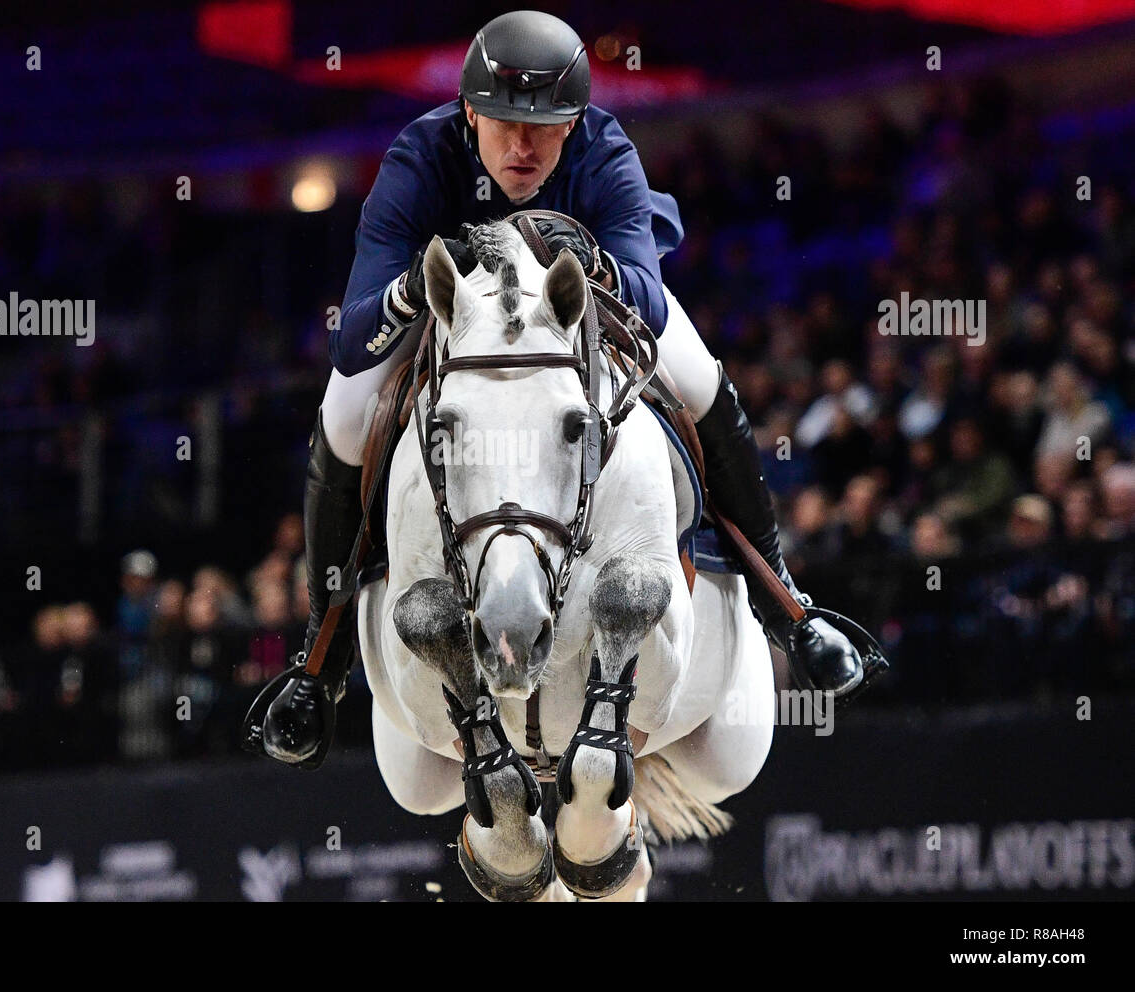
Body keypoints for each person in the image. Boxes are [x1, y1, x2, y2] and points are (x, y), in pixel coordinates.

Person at [258, 11, 867, 767]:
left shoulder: (604, 148)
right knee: (345, 416)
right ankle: (322, 661)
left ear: (574, 120)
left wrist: (593, 261)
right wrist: (418, 285)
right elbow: (352, 338)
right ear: (471, 112)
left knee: (704, 383)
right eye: (505, 123)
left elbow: (644, 294)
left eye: (544, 128)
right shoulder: (418, 158)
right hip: (459, 321)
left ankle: (785, 607)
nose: (522, 147)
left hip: (575, 311)